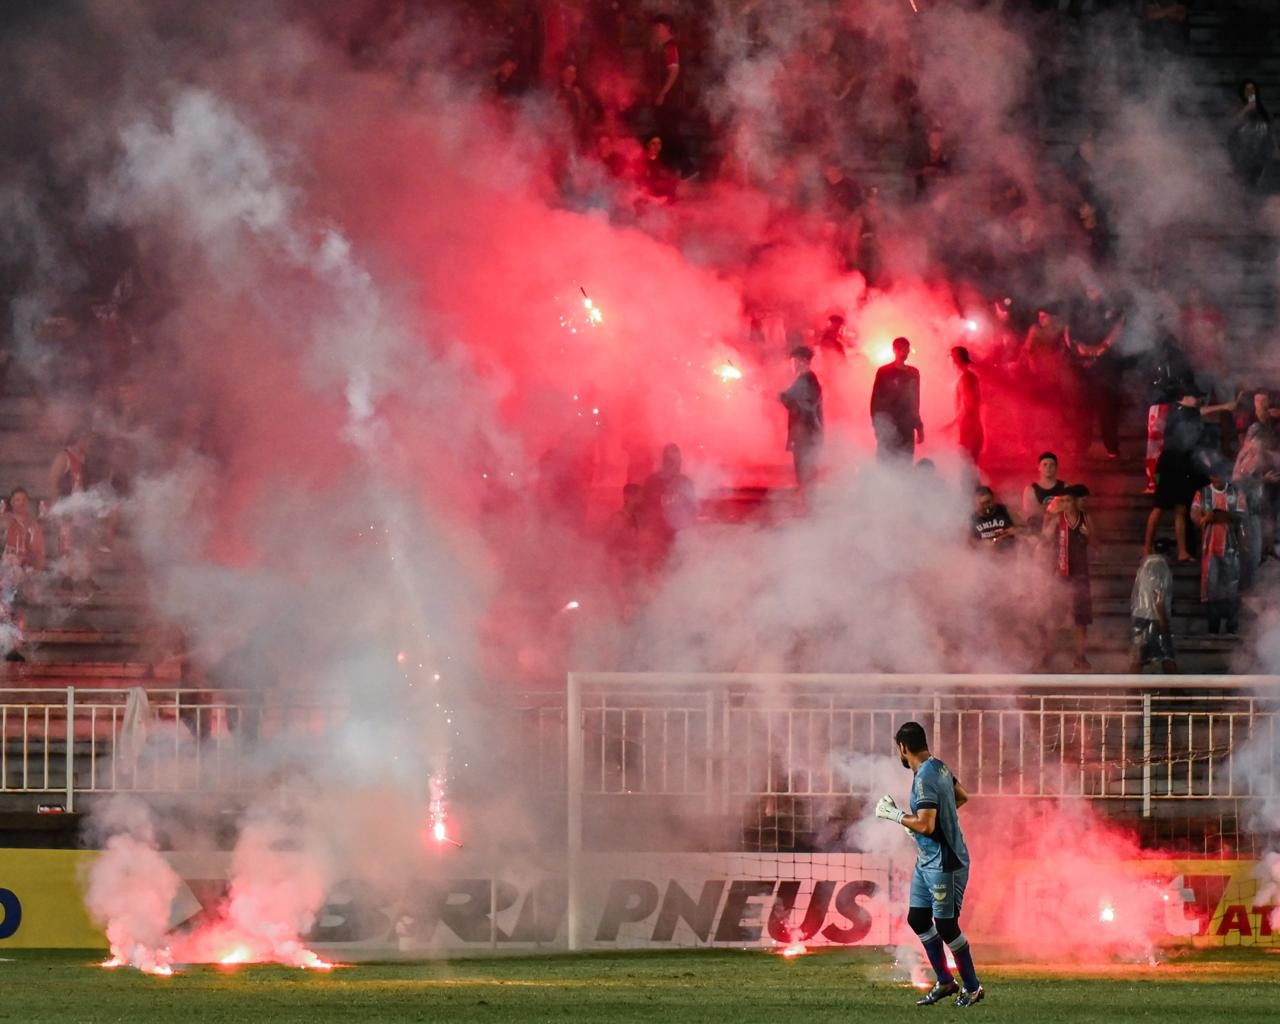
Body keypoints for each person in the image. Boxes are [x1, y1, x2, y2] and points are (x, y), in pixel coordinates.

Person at [874, 721, 983, 1009]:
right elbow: (962, 796)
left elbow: (926, 823)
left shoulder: (924, 778)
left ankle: (972, 987)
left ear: (902, 747)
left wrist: (895, 815)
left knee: (946, 925)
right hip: (928, 861)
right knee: (918, 919)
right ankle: (946, 981)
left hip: (944, 863)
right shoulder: (939, 767)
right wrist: (932, 824)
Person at [1144, 389, 1235, 561]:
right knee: (1159, 506)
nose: (1198, 400)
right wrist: (1224, 406)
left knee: (1181, 508)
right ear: (1185, 397)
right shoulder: (1176, 410)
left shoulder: (1187, 412)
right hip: (1167, 464)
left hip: (1181, 464)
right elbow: (1199, 412)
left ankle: (1182, 551)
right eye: (1195, 397)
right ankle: (1147, 547)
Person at [1190, 466, 1247, 636]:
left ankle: (1232, 627)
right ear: (1211, 476)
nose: (1219, 478)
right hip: (1210, 550)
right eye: (1216, 475)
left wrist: (1222, 515)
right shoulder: (1202, 493)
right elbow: (1195, 516)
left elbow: (1241, 516)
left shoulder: (1235, 491)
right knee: (1211, 591)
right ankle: (1213, 629)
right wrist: (1204, 518)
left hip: (1231, 548)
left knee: (1232, 589)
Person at [1042, 483, 1092, 670]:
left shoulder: (1086, 518)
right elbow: (1045, 539)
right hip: (1060, 572)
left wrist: (1089, 535)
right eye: (1065, 500)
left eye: (1071, 500)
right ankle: (1047, 653)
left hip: (1080, 573)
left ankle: (1080, 656)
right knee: (1055, 615)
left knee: (1081, 617)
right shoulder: (1057, 519)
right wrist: (1049, 517)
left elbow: (1096, 543)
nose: (1068, 504)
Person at [637, 443, 695, 565]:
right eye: (672, 461)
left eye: (677, 460)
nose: (677, 464)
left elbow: (692, 511)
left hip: (677, 536)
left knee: (675, 570)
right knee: (658, 568)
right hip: (657, 536)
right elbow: (643, 508)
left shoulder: (685, 482)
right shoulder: (653, 481)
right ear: (665, 461)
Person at [870, 337, 923, 462]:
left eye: (907, 350)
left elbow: (915, 401)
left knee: (905, 462)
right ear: (895, 350)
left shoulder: (913, 372)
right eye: (903, 350)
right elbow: (875, 400)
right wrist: (877, 425)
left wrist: (919, 426)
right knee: (886, 462)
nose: (906, 353)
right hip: (889, 424)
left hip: (906, 426)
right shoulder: (884, 371)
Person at [779, 346, 823, 490]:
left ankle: (810, 507)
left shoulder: (808, 379)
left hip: (806, 433)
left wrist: (782, 397)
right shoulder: (805, 379)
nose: (793, 364)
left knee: (805, 473)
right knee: (804, 473)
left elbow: (805, 405)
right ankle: (808, 505)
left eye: (794, 360)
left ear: (802, 361)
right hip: (805, 433)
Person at [1130, 538, 1177, 674]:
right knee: (1167, 655)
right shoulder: (1162, 567)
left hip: (1139, 616)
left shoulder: (1143, 566)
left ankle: (1130, 692)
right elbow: (1159, 598)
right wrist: (1164, 624)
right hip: (1155, 618)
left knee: (1139, 657)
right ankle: (1176, 691)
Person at [1229, 80, 1273, 189]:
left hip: (1259, 143)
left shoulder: (1261, 109)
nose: (1250, 92)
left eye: (1252, 89)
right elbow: (1233, 121)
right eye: (1248, 89)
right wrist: (1246, 109)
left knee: (1255, 176)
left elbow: (1268, 126)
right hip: (1245, 143)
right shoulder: (1239, 106)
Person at [943, 346, 983, 465]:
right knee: (969, 465)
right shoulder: (969, 377)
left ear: (957, 360)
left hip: (970, 428)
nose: (952, 362)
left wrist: (951, 425)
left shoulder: (967, 378)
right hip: (972, 426)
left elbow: (968, 406)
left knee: (967, 465)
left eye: (953, 358)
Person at [1020, 452, 1068, 536]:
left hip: (1060, 529)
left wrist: (1046, 510)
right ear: (1039, 467)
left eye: (1051, 465)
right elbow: (1030, 513)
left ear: (1056, 467)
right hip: (1037, 530)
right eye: (1045, 465)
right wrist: (1055, 509)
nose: (1048, 468)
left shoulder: (1065, 487)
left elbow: (1070, 510)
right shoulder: (1030, 490)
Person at [971, 486, 1018, 551]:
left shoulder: (1004, 510)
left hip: (1008, 552)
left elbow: (1023, 528)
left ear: (993, 499)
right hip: (984, 557)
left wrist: (1010, 531)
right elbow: (968, 542)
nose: (987, 506)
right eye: (983, 504)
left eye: (989, 502)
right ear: (976, 504)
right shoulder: (972, 519)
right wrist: (981, 544)